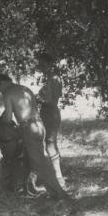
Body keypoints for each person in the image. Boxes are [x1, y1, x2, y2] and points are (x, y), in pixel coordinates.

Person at [0, 74, 70, 201]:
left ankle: (59, 195)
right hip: (39, 125)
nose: (0, 91)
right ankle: (25, 189)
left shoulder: (8, 93)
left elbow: (7, 118)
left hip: (29, 127)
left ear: (1, 84)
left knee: (40, 163)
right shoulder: (25, 89)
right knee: (27, 159)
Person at [38, 53, 65, 188]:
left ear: (50, 64)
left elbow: (51, 100)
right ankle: (53, 174)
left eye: (44, 64)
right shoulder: (50, 78)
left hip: (51, 112)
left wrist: (37, 98)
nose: (41, 67)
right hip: (48, 112)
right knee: (48, 143)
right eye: (40, 65)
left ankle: (59, 177)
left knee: (50, 143)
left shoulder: (54, 78)